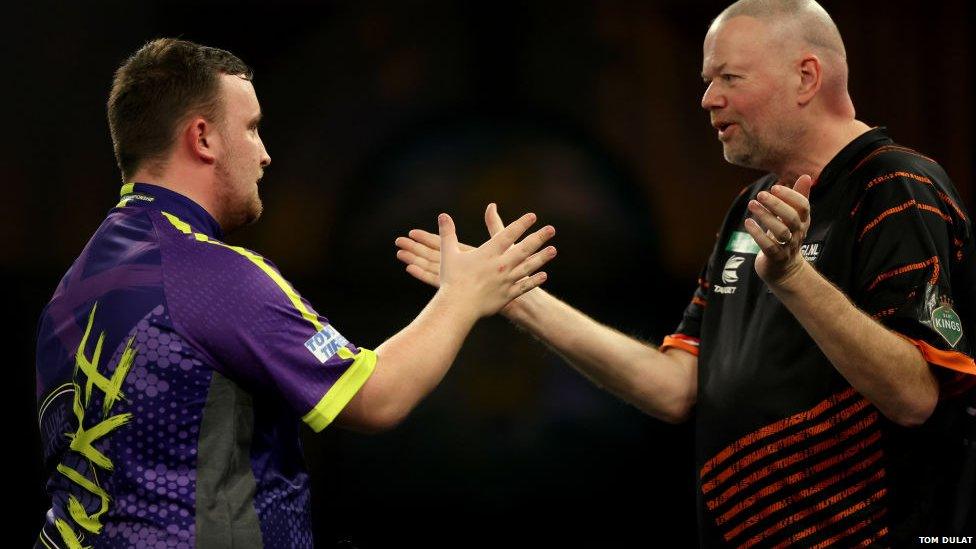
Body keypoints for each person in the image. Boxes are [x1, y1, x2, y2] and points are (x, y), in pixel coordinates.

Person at [395, 0, 976, 546]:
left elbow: (915, 396)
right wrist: (512, 296)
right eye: (706, 80)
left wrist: (794, 277)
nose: (707, 99)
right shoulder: (750, 209)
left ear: (806, 77)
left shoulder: (898, 189)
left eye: (729, 78)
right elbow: (675, 386)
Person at [34, 38, 557, 549]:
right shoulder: (213, 277)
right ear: (203, 138)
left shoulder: (69, 293)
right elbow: (377, 396)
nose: (264, 155)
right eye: (252, 128)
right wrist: (464, 295)